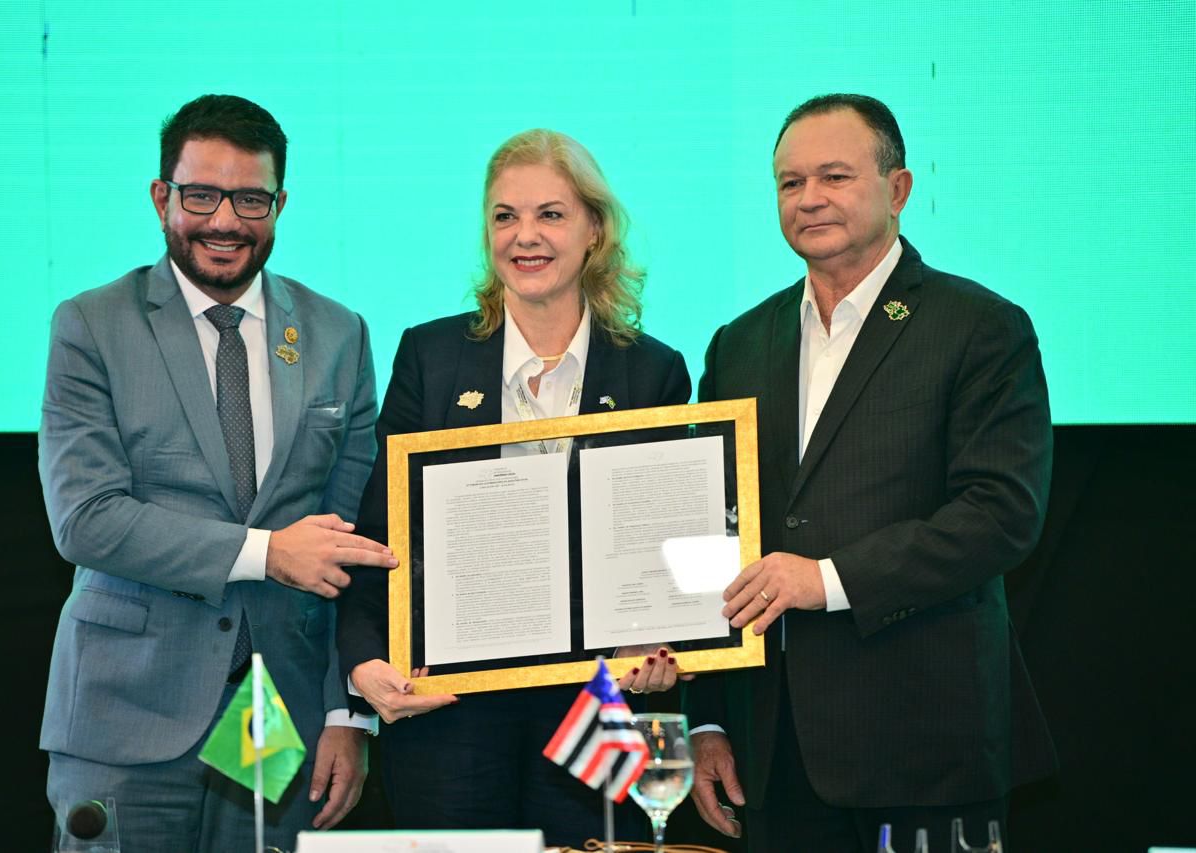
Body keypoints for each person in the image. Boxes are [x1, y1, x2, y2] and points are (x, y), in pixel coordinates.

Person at [684, 94, 1058, 851]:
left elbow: (1000, 513)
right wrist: (708, 720)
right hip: (775, 753)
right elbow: (710, 530)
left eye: (835, 176)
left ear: (898, 189)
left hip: (926, 746)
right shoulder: (739, 344)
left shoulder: (979, 327)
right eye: (790, 183)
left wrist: (823, 579)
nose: (809, 199)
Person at [39, 94, 396, 850]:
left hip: (277, 719)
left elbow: (353, 540)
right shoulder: (92, 325)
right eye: (201, 195)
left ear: (280, 204)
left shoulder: (339, 334)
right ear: (161, 197)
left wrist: (346, 713)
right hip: (126, 711)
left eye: (250, 199)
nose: (225, 220)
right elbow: (86, 518)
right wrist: (268, 552)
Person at [336, 128, 692, 846]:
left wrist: (669, 641)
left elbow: (670, 551)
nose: (525, 236)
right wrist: (364, 660)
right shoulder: (430, 356)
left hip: (597, 712)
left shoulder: (652, 371)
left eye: (551, 214)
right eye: (505, 216)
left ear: (595, 230)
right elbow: (380, 532)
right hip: (449, 711)